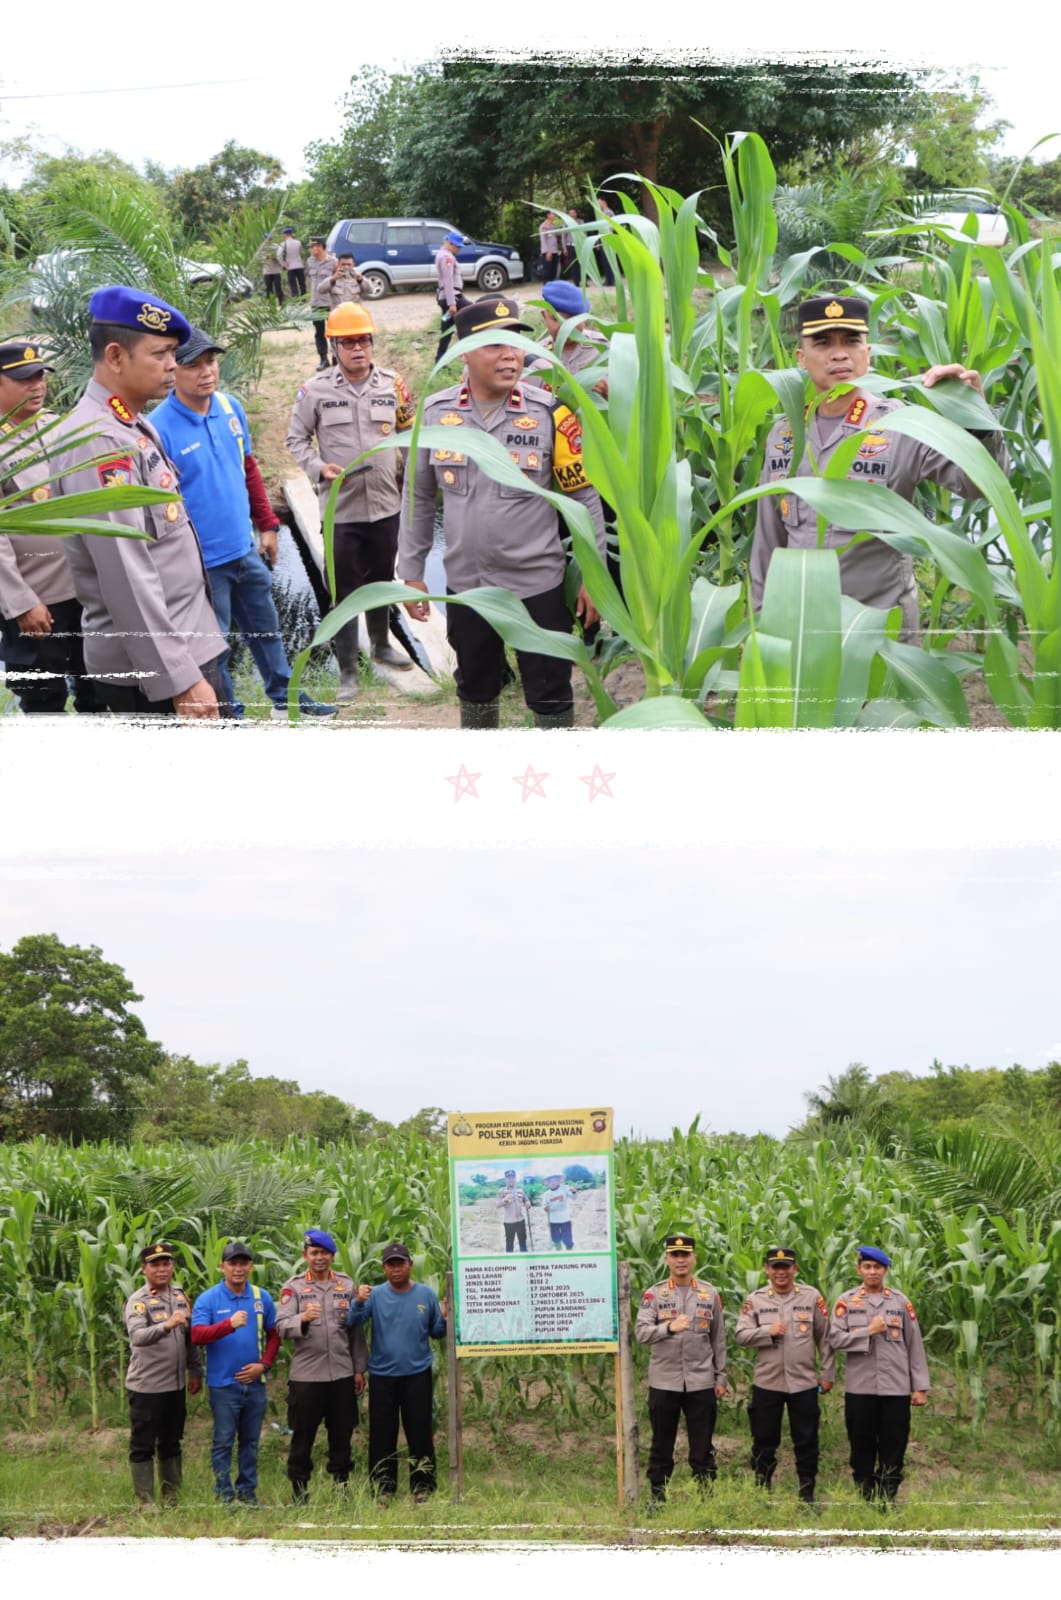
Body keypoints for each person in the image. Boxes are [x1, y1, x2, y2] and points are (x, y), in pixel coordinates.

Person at [398, 294, 608, 730]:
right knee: (475, 688)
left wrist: (593, 574)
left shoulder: (550, 413)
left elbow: (584, 497)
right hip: (467, 587)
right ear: (464, 353)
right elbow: (417, 499)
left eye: (515, 342)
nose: (511, 354)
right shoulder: (436, 415)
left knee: (551, 693)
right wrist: (413, 573)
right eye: (495, 344)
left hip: (537, 586)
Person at [749, 294, 1009, 640]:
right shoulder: (785, 433)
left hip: (880, 629)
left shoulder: (902, 424)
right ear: (802, 358)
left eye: (852, 341)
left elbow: (979, 485)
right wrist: (761, 619)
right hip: (801, 625)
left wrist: (975, 417)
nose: (839, 353)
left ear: (867, 354)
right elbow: (769, 539)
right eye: (823, 343)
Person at [51, 286, 226, 718]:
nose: (173, 366)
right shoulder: (100, 442)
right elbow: (125, 574)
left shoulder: (130, 423)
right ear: (115, 357)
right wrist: (180, 680)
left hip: (184, 643)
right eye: (161, 354)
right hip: (155, 671)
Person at [152, 326, 335, 720]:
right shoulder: (158, 428)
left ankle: (286, 699)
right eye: (194, 365)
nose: (206, 371)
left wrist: (267, 525)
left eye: (211, 361)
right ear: (172, 371)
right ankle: (229, 715)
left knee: (266, 630)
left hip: (243, 549)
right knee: (214, 647)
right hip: (201, 564)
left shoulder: (230, 407)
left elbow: (248, 468)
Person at [286, 300, 415, 701]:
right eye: (348, 342)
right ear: (334, 346)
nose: (357, 348)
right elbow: (295, 440)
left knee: (380, 581)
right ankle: (347, 671)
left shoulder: (392, 385)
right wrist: (318, 467)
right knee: (343, 592)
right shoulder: (317, 390)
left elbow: (410, 434)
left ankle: (381, 645)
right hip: (342, 512)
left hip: (385, 506)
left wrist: (411, 481)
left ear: (372, 342)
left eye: (363, 340)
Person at [0, 341, 99, 714]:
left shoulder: (56, 427)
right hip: (36, 599)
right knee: (44, 700)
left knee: (97, 687)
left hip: (81, 589)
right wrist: (21, 603)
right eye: (25, 378)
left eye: (40, 375)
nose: (37, 385)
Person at [347, 1242, 448, 1506]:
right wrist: (357, 1302)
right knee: (382, 1434)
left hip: (417, 1374)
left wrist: (445, 1318)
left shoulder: (426, 1295)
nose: (396, 1269)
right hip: (382, 1376)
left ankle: (423, 1485)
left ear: (409, 1265)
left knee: (419, 1431)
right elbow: (353, 1321)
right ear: (384, 1268)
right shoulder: (375, 1295)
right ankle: (384, 1488)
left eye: (400, 1263)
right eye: (390, 1264)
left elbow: (436, 1332)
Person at [830, 1246, 930, 1505]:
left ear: (885, 1270)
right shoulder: (847, 1301)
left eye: (877, 1267)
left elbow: (914, 1344)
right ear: (859, 1270)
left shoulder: (900, 1302)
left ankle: (888, 1496)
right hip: (860, 1388)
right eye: (867, 1267)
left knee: (894, 1443)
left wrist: (919, 1387)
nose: (872, 1272)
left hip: (896, 1388)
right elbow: (835, 1339)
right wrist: (867, 1331)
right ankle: (865, 1495)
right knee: (861, 1443)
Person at [734, 1246, 835, 1503]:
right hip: (768, 1382)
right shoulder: (755, 1300)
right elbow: (740, 1336)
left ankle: (807, 1492)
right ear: (767, 1269)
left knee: (807, 1439)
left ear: (795, 1269)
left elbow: (825, 1338)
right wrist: (767, 1331)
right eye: (775, 1267)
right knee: (764, 1439)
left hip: (804, 1382)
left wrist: (827, 1373)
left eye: (786, 1267)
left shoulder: (811, 1297)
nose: (781, 1272)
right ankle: (762, 1488)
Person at [276, 1228, 368, 1503]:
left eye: (324, 1253)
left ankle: (342, 1490)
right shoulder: (293, 1288)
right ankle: (299, 1494)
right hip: (307, 1377)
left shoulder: (346, 1285)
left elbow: (355, 1331)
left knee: (341, 1436)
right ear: (305, 1256)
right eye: (314, 1253)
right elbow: (280, 1325)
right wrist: (302, 1318)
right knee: (303, 1437)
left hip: (340, 1374)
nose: (319, 1258)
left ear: (332, 1256)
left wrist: (358, 1369)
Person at [635, 1231, 727, 1505]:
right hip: (665, 1382)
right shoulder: (655, 1294)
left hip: (701, 1382)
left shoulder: (709, 1293)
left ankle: (706, 1497)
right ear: (667, 1259)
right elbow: (641, 1333)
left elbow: (718, 1338)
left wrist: (720, 1377)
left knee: (702, 1446)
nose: (681, 1260)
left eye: (685, 1255)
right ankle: (657, 1497)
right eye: (675, 1255)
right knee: (662, 1444)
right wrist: (669, 1328)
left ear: (694, 1258)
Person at [191, 1240, 280, 1506]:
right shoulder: (209, 1298)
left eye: (243, 1263)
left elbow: (274, 1335)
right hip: (223, 1384)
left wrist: (263, 1365)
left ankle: (247, 1492)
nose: (238, 1268)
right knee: (223, 1441)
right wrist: (228, 1325)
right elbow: (196, 1335)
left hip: (255, 1383)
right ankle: (224, 1494)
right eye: (232, 1263)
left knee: (250, 1442)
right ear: (222, 1267)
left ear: (251, 1266)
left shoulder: (260, 1296)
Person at [122, 1240, 202, 1507]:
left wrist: (195, 1370)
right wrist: (167, 1325)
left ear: (172, 1266)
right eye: (155, 1264)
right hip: (147, 1387)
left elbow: (189, 1338)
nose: (162, 1268)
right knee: (143, 1444)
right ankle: (145, 1502)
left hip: (175, 1386)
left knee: (171, 1442)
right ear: (144, 1269)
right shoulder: (138, 1301)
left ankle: (172, 1498)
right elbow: (138, 1336)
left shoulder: (179, 1296)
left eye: (166, 1263)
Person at [434, 231, 468, 365]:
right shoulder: (446, 257)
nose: (459, 249)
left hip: (450, 297)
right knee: (474, 315)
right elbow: (448, 281)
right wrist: (452, 303)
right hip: (453, 297)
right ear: (450, 244)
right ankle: (470, 353)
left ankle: (440, 360)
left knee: (447, 329)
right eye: (458, 246)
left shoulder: (445, 255)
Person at [307, 238, 337, 372]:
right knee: (319, 332)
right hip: (316, 302)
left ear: (320, 247)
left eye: (313, 246)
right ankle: (323, 359)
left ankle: (337, 358)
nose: (311, 249)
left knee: (335, 332)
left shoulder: (333, 262)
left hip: (330, 302)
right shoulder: (310, 261)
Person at [497, 1169, 530, 1253]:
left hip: (520, 1221)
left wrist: (527, 1204)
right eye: (509, 1178)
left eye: (513, 1177)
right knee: (509, 1244)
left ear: (515, 1179)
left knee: (523, 1243)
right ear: (506, 1179)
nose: (511, 1179)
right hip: (509, 1222)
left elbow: (526, 1200)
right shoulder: (502, 1191)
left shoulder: (520, 1190)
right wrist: (504, 1200)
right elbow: (497, 1205)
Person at [542, 1173, 575, 1250]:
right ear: (548, 1183)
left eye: (555, 1180)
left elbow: (574, 1197)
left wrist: (574, 1192)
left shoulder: (565, 1188)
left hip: (565, 1219)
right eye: (550, 1181)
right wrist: (546, 1208)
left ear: (558, 1181)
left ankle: (569, 1251)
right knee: (556, 1239)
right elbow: (544, 1206)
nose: (553, 1183)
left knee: (568, 1239)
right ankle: (559, 1251)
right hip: (553, 1220)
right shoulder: (546, 1194)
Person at [280, 229, 306, 297]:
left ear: (285, 235)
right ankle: (304, 297)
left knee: (293, 284)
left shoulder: (283, 244)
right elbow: (302, 252)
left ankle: (296, 299)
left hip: (290, 267)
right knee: (302, 283)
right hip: (299, 265)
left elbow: (279, 255)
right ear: (291, 234)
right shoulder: (298, 242)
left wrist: (284, 264)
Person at [261, 239, 284, 304]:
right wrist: (266, 257)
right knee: (268, 288)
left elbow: (280, 256)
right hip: (266, 271)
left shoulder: (275, 246)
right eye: (266, 239)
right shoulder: (261, 247)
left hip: (276, 271)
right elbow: (258, 258)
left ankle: (281, 302)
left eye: (269, 239)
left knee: (278, 286)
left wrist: (274, 257)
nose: (268, 240)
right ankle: (270, 304)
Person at [538, 213, 560, 282]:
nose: (555, 216)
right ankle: (547, 289)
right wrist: (547, 252)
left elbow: (555, 237)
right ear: (548, 215)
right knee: (547, 273)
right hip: (548, 252)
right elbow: (543, 240)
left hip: (555, 251)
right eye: (553, 214)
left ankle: (553, 289)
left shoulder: (553, 226)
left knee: (554, 272)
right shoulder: (543, 226)